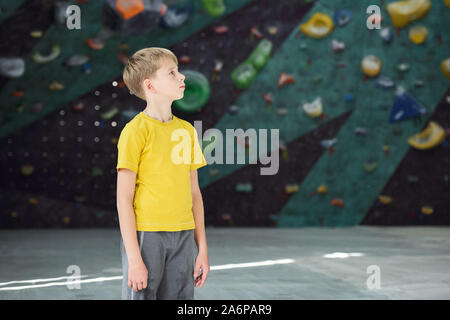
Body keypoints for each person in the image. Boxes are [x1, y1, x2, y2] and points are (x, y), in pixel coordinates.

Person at [116, 47, 209, 300]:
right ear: (150, 85)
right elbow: (123, 199)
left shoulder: (187, 131)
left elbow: (194, 193)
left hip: (183, 234)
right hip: (147, 235)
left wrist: (202, 249)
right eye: (172, 73)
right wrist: (135, 259)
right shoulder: (135, 132)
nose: (182, 77)